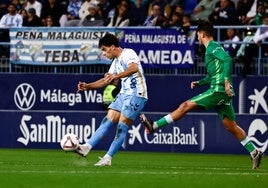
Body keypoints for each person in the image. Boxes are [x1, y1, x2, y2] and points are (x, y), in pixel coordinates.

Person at [140, 21, 263, 170]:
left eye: (198, 34)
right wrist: (200, 82)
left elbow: (228, 60)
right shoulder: (210, 50)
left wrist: (226, 82)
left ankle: (154, 126)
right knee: (230, 126)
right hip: (220, 90)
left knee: (184, 106)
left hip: (218, 90)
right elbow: (214, 74)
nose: (197, 36)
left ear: (202, 34)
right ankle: (254, 151)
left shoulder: (212, 46)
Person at [76, 33, 148, 166]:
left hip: (136, 94)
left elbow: (134, 68)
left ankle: (108, 158)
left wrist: (116, 76)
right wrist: (88, 86)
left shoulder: (128, 53)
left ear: (113, 47)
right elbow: (105, 80)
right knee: (107, 120)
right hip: (123, 94)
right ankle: (86, 147)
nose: (103, 53)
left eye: (104, 49)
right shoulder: (115, 62)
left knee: (122, 126)